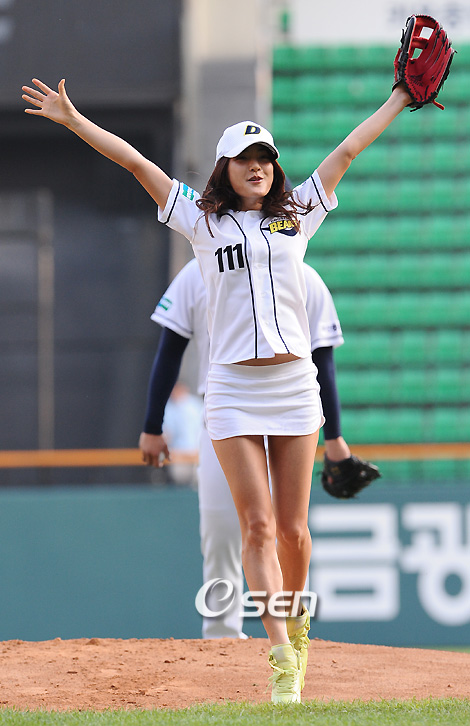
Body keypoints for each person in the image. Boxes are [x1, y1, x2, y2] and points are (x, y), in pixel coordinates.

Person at [22, 76, 413, 703]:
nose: (257, 166)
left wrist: (398, 99)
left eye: (265, 158)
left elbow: (347, 150)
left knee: (293, 532)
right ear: (224, 168)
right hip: (231, 388)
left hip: (293, 386)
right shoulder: (201, 222)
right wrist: (73, 120)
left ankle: (296, 626)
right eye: (244, 158)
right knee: (256, 527)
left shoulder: (297, 214)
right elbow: (136, 163)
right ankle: (281, 656)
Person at [139, 257, 359, 640]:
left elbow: (323, 359)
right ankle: (222, 633)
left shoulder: (301, 273)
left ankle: (290, 626)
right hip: (225, 410)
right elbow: (170, 348)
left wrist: (334, 436)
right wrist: (152, 425)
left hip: (290, 407)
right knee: (223, 526)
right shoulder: (197, 271)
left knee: (290, 530)